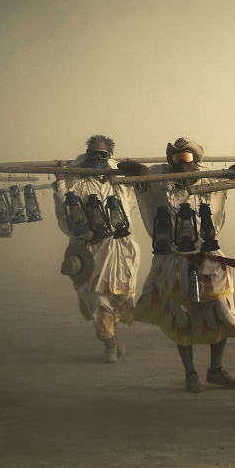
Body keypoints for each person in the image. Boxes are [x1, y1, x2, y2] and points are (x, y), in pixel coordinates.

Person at [127, 137, 235, 392]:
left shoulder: (211, 179)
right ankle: (190, 373)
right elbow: (127, 168)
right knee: (181, 317)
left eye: (186, 158)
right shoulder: (157, 178)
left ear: (196, 161)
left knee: (223, 314)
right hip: (175, 260)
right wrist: (134, 167)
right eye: (176, 158)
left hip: (210, 260)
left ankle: (216, 369)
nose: (180, 164)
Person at [53, 135, 140, 363]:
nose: (97, 159)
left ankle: (112, 333)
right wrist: (61, 180)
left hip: (118, 249)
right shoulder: (77, 181)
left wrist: (133, 172)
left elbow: (135, 199)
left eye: (103, 155)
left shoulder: (119, 181)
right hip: (90, 249)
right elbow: (65, 207)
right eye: (93, 154)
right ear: (87, 153)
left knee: (118, 298)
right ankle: (109, 342)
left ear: (109, 156)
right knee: (97, 299)